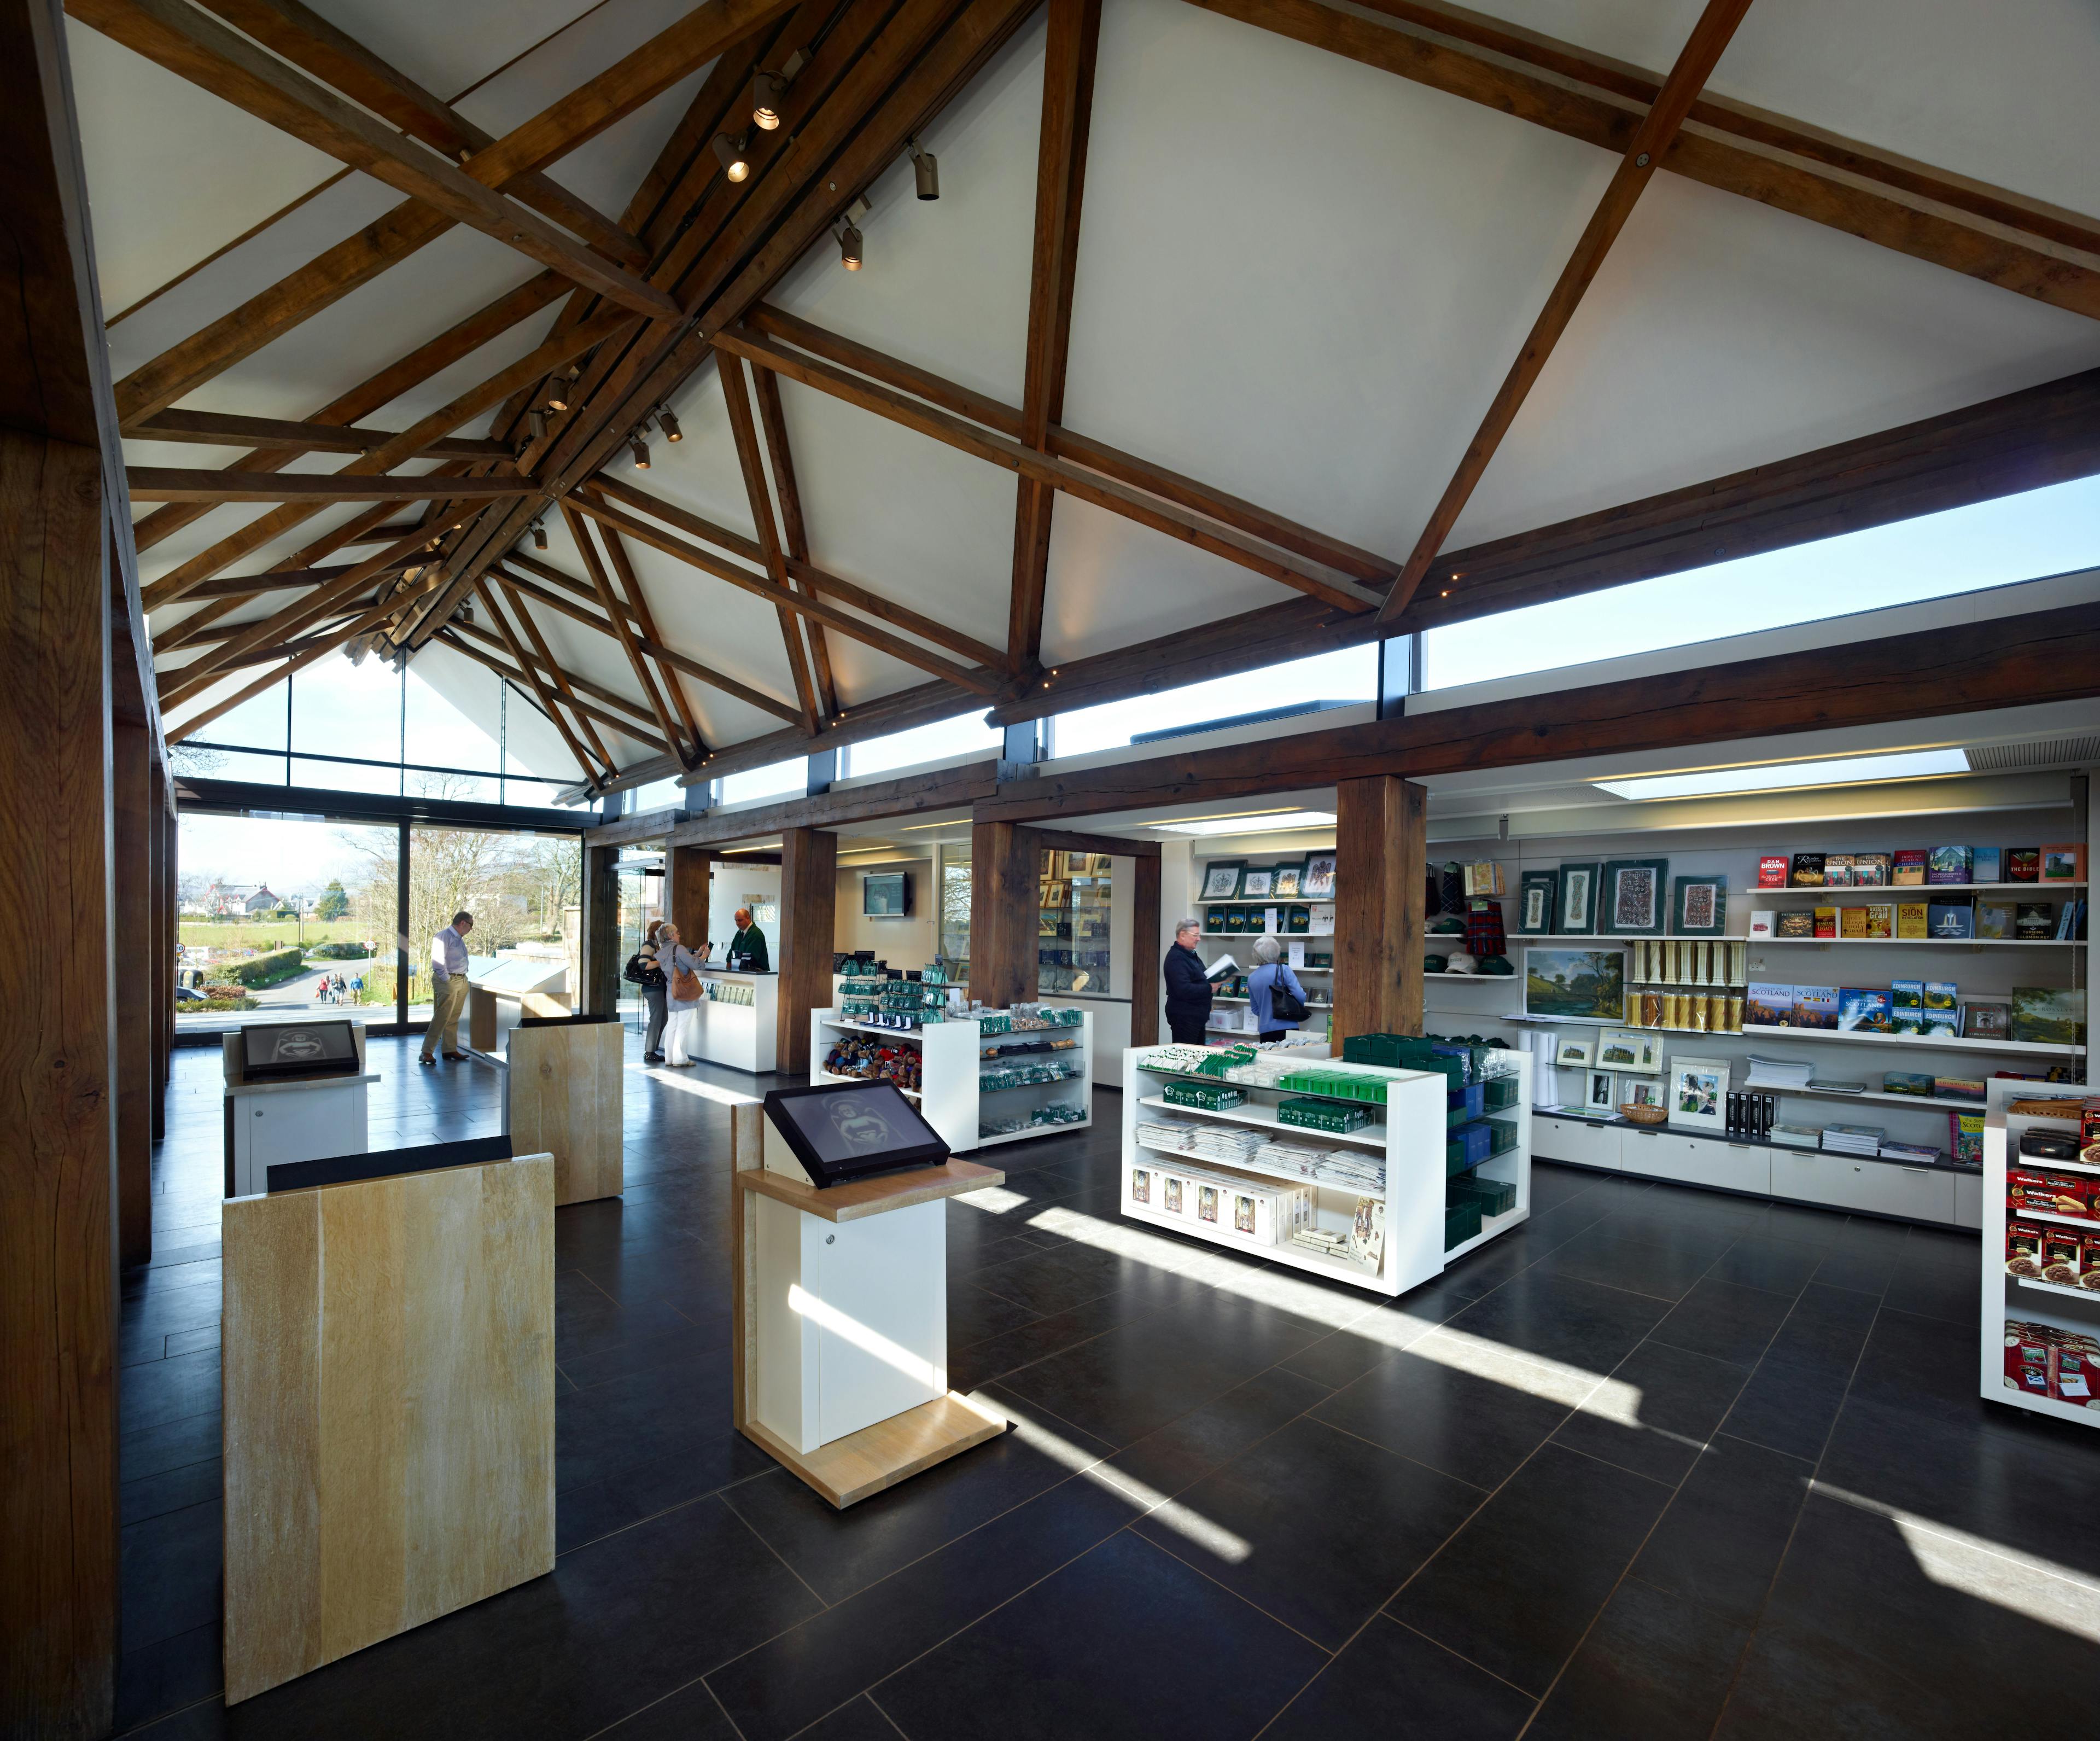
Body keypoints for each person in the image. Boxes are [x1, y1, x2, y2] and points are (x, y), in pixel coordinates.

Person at [419, 909, 474, 1065]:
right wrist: (447, 979)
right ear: (463, 923)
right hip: (448, 981)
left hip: (461, 980)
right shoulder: (443, 936)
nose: (471, 929)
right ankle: (426, 1052)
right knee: (442, 1016)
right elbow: (437, 961)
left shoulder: (458, 938)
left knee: (453, 1018)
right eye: (471, 925)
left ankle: (449, 1049)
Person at [660, 923, 709, 1067]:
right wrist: (704, 956)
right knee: (683, 1025)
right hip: (684, 991)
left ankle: (669, 1058)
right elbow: (694, 965)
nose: (679, 935)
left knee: (673, 1025)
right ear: (670, 935)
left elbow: (682, 962)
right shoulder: (679, 948)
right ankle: (680, 1059)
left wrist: (698, 953)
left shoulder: (664, 950)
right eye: (677, 933)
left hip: (672, 990)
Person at [1247, 936, 1308, 1044]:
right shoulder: (1284, 970)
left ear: (1255, 955)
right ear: (1277, 953)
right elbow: (1300, 995)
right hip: (1288, 1027)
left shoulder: (1252, 978)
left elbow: (1255, 1010)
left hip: (1265, 1031)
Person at [1163, 918, 1212, 1045]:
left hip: (1196, 1018)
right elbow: (1183, 989)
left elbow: (1201, 978)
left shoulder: (1190, 955)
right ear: (1183, 935)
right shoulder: (1176, 958)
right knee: (1186, 1061)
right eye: (1195, 935)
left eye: (1199, 935)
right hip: (1185, 1018)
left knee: (1197, 1060)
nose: (1199, 939)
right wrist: (1209, 988)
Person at [626, 920, 669, 1063]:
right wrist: (663, 961)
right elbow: (643, 965)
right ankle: (650, 1052)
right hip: (652, 988)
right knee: (656, 1019)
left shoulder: (657, 946)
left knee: (663, 1019)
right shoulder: (649, 945)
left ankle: (652, 1050)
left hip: (658, 988)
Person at [726, 907, 769, 973]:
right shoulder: (739, 933)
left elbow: (750, 959)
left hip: (758, 975)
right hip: (742, 973)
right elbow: (731, 953)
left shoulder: (756, 934)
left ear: (748, 918)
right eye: (736, 920)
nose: (737, 923)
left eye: (740, 920)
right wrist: (729, 971)